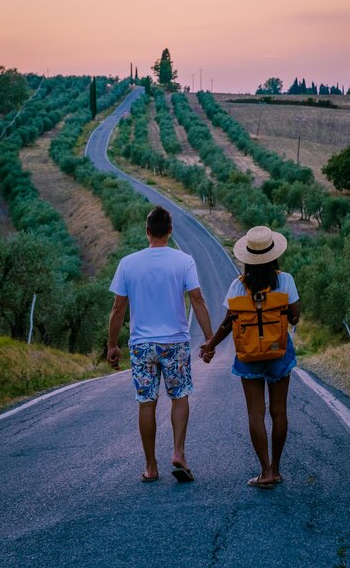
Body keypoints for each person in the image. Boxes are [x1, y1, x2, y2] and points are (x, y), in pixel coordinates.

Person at [107, 206, 214, 483]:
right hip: (175, 343)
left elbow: (118, 309)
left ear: (147, 231)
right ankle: (179, 454)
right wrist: (210, 339)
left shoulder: (128, 263)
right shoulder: (184, 261)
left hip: (142, 345)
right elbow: (198, 300)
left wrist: (112, 345)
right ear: (170, 230)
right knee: (179, 397)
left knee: (146, 403)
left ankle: (151, 466)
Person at [200, 226, 300, 489]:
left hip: (248, 355)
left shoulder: (237, 286)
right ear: (274, 254)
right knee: (279, 412)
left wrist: (210, 346)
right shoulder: (286, 280)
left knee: (255, 413)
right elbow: (295, 316)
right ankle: (277, 469)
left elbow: (227, 324)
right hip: (279, 351)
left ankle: (265, 471)